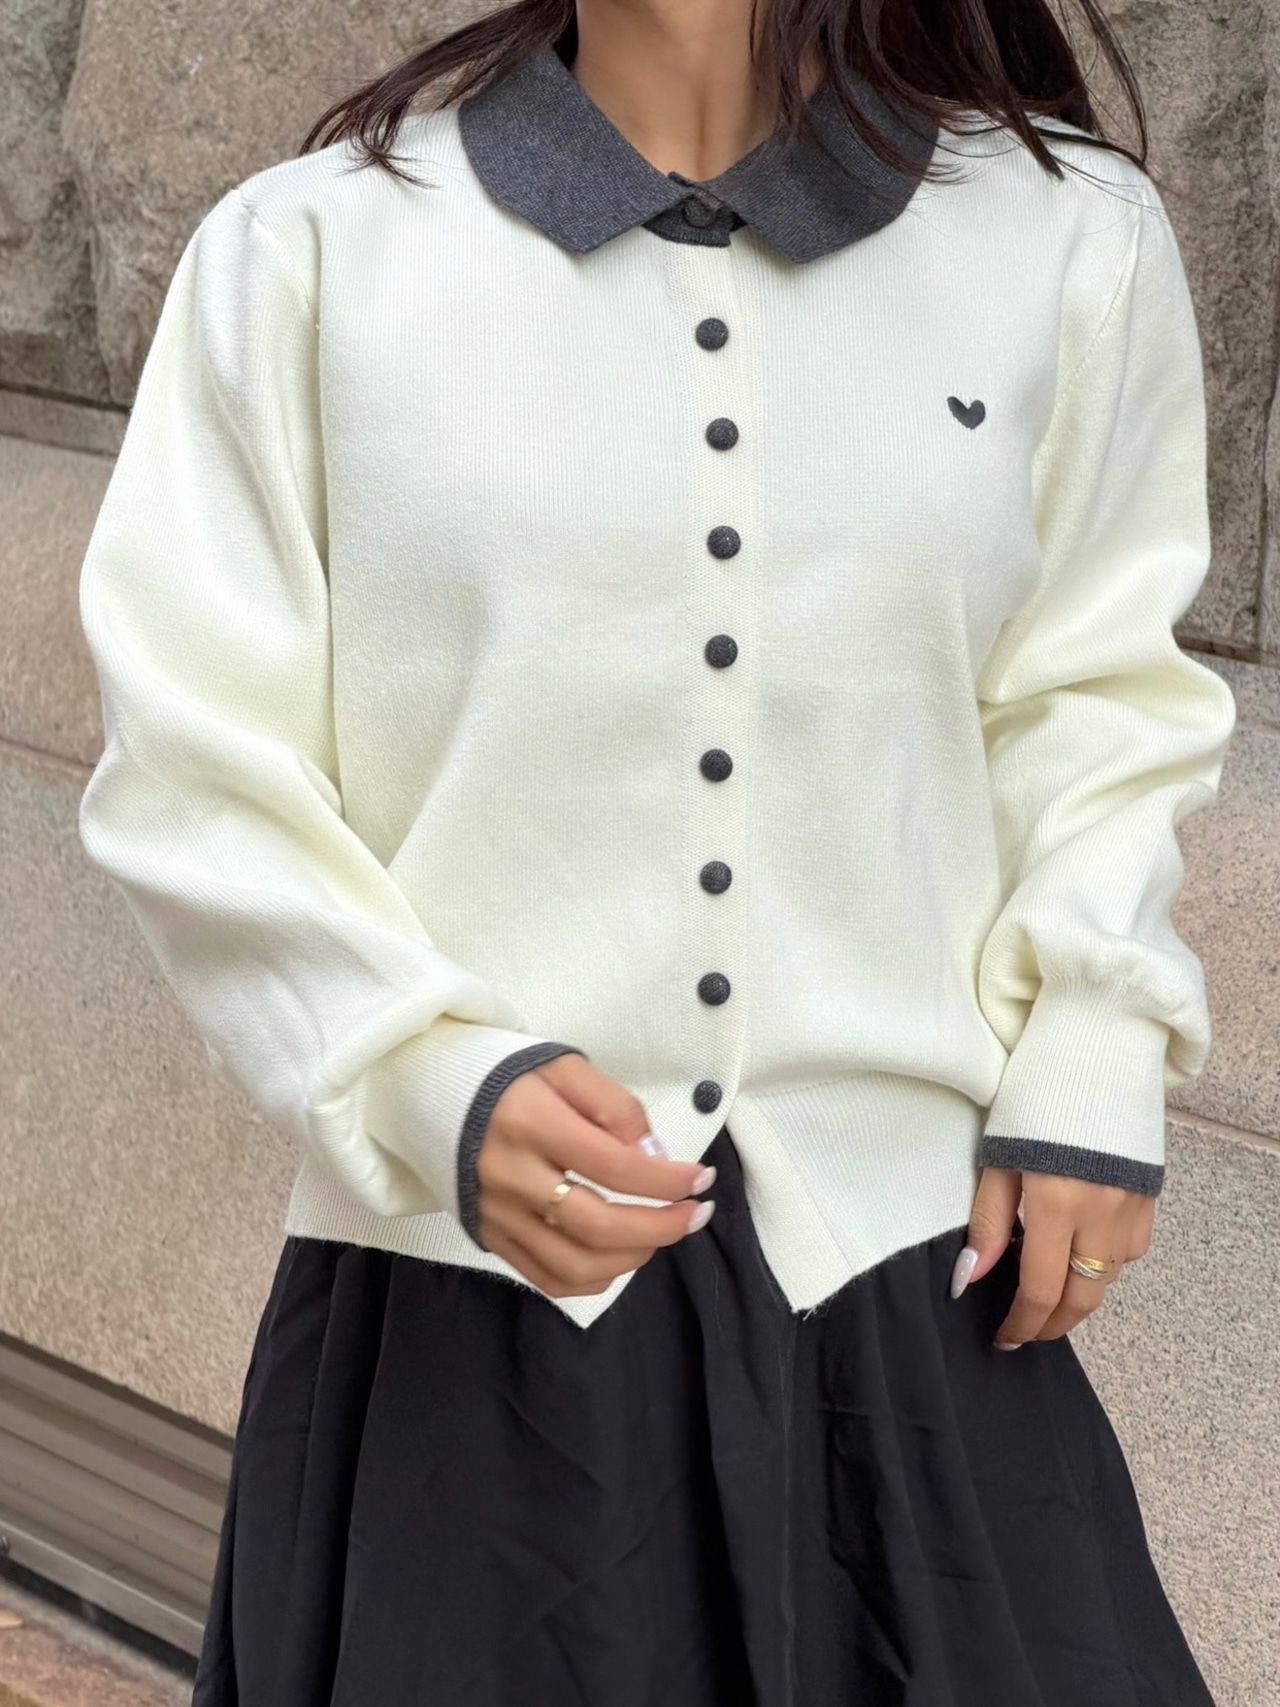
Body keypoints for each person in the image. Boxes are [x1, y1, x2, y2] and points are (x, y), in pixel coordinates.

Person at [75, 0, 1236, 1700]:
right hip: (468, 1296)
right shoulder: (308, 255)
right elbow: (195, 761)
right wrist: (417, 1073)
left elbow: (1097, 694)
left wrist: (1095, 1042)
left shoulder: (1065, 238)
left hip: (914, 1286)